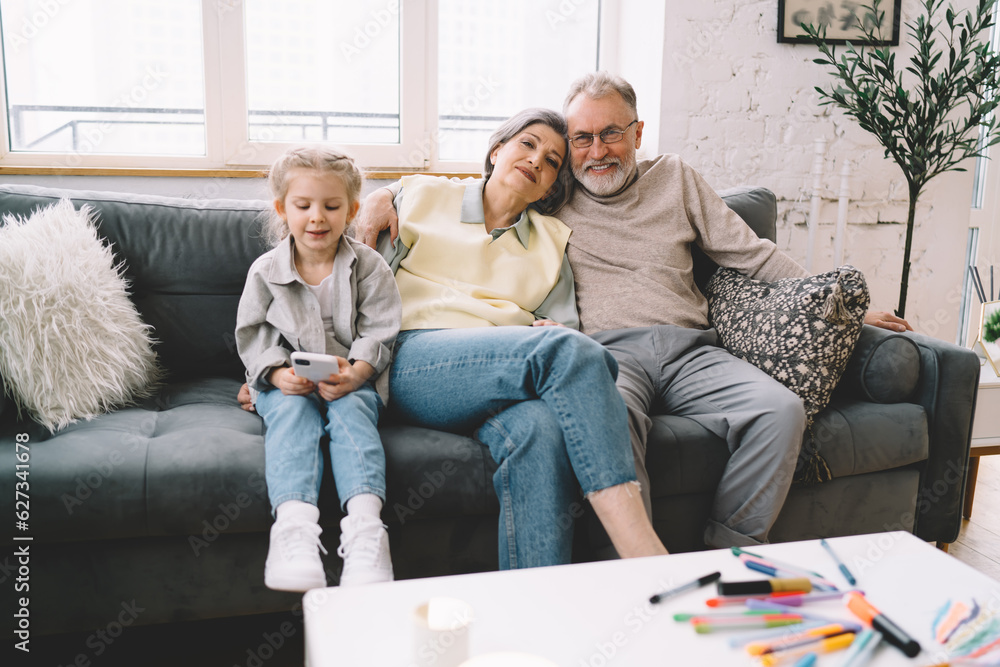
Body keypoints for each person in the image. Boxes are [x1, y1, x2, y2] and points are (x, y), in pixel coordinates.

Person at [356, 75, 912, 550]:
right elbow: (491, 182)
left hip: (695, 349)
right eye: (581, 140)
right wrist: (386, 193)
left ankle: (728, 554)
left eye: (611, 134)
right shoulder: (554, 186)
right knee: (606, 421)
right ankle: (627, 568)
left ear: (637, 132)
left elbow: (752, 253)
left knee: (781, 411)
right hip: (606, 353)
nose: (596, 151)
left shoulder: (675, 179)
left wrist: (843, 309)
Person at [243, 109, 669, 570]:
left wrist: (555, 330)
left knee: (541, 430)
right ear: (496, 151)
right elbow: (327, 286)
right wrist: (272, 369)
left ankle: (533, 609)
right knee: (573, 356)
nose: (536, 161)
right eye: (527, 144)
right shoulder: (420, 195)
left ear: (551, 186)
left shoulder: (554, 240)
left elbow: (563, 328)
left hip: (500, 374)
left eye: (551, 160)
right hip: (412, 359)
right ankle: (646, 560)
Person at [236, 147, 402, 591]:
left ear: (351, 210)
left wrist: (359, 373)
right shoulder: (266, 271)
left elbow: (381, 329)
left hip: (347, 377)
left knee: (352, 414)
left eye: (331, 207)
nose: (317, 218)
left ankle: (367, 530)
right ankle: (293, 530)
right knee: (291, 414)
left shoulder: (370, 266)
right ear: (282, 209)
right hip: (288, 379)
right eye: (303, 206)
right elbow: (252, 334)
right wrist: (272, 374)